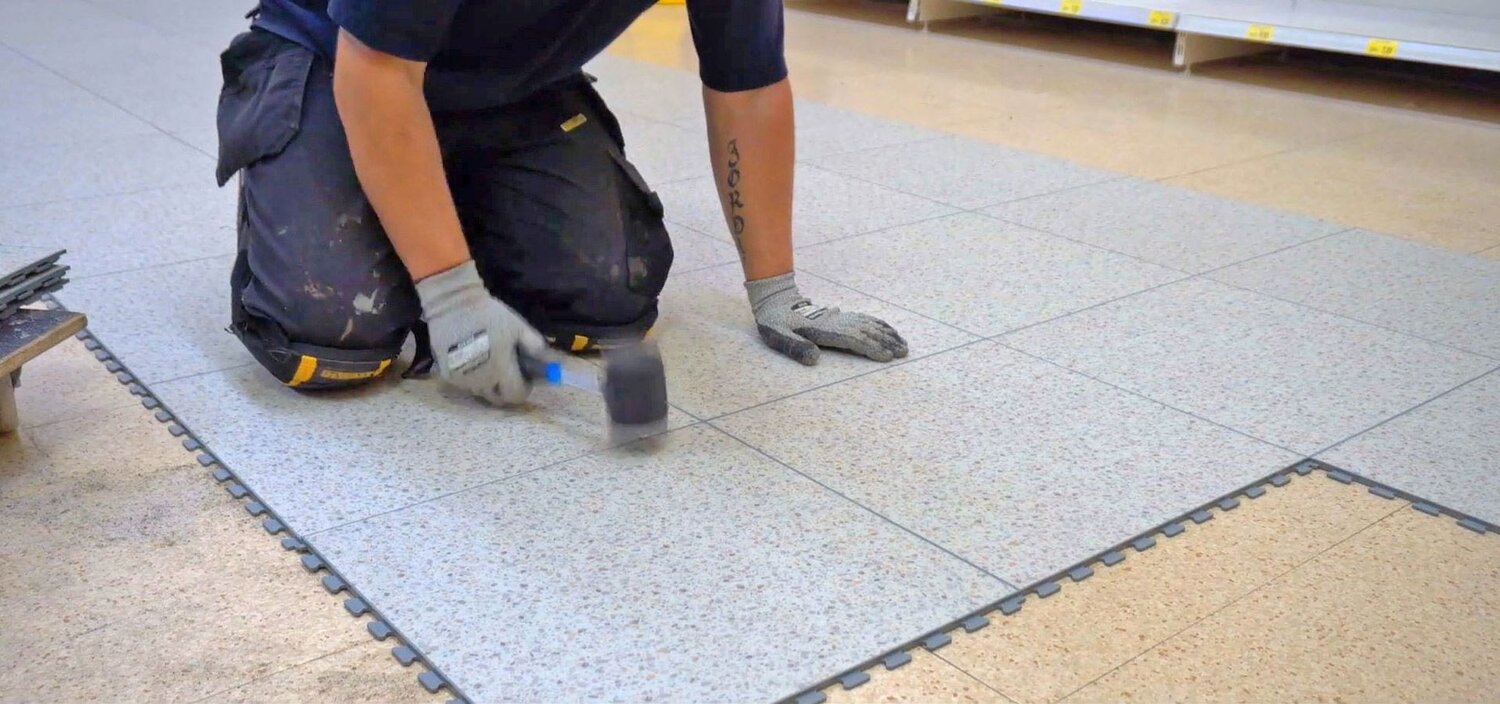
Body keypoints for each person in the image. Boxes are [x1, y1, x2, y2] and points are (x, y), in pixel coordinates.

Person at [215, 0, 908, 406]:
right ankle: (340, 189)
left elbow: (748, 86)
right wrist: (453, 297)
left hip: (515, 87)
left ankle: (436, 208)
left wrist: (776, 291)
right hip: (337, 62)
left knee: (608, 300)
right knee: (333, 329)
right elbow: (380, 70)